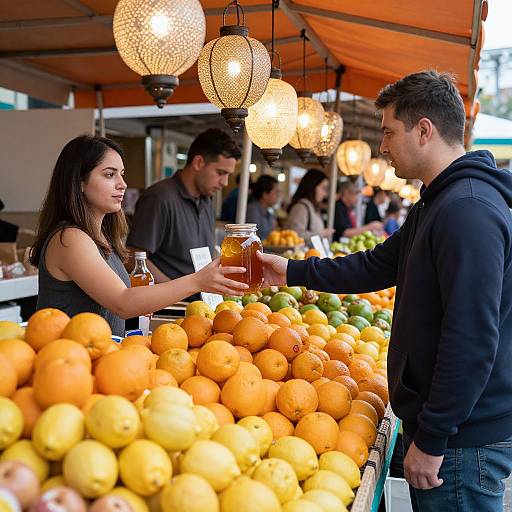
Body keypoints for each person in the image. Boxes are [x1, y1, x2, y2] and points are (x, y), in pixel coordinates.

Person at [257, 71, 512, 511]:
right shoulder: (437, 202)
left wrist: (433, 438)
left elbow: (471, 339)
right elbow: (376, 265)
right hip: (450, 430)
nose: (383, 146)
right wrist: (289, 271)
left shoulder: (466, 211)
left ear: (424, 130)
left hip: (461, 443)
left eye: (389, 132)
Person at [30, 135, 248, 336]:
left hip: (100, 361)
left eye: (121, 174)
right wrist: (197, 281)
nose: (122, 184)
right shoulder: (69, 238)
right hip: (69, 366)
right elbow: (122, 302)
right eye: (109, 174)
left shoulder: (101, 237)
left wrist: (146, 301)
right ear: (79, 183)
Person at [127, 129, 242, 285]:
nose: (225, 182)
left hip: (201, 302)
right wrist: (175, 291)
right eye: (221, 172)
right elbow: (133, 257)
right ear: (198, 163)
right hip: (170, 305)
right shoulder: (159, 198)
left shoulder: (206, 201)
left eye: (228, 175)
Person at [284, 169, 334, 241]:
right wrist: (322, 233)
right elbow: (295, 235)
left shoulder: (312, 206)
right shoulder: (301, 207)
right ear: (313, 187)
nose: (324, 193)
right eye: (323, 188)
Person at [245, 175, 279, 240]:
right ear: (265, 194)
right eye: (276, 192)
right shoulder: (252, 210)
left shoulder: (269, 211)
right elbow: (253, 238)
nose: (278, 196)